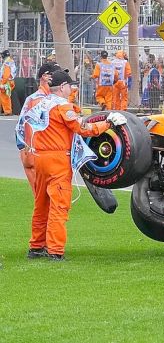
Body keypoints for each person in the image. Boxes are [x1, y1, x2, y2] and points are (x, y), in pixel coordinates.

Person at [24, 70, 124, 260]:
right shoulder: (62, 107)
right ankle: (55, 251)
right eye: (70, 85)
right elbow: (83, 129)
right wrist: (108, 124)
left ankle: (36, 247)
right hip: (58, 161)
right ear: (62, 87)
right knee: (59, 206)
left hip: (39, 157)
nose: (72, 89)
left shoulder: (38, 102)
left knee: (41, 205)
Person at [16, 62, 62, 192]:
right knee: (44, 198)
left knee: (49, 199)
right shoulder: (37, 99)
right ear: (45, 77)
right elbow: (22, 127)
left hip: (42, 152)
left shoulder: (49, 98)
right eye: (55, 74)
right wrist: (28, 151)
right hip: (36, 152)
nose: (60, 77)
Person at [0, 50, 17, 115]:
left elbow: (6, 74)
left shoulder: (7, 62)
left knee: (5, 96)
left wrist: (2, 83)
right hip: (9, 81)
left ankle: (7, 111)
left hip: (6, 81)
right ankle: (5, 110)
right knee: (4, 95)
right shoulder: (10, 61)